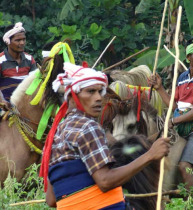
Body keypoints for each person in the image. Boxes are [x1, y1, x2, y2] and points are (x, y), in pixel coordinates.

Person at [40, 62, 170, 209]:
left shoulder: (54, 136)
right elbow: (105, 182)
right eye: (90, 92)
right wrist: (150, 155)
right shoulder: (88, 127)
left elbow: (51, 200)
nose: (98, 98)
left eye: (100, 91)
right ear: (72, 96)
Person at [148, 37, 193, 190]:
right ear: (188, 57)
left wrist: (175, 121)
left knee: (184, 166)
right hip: (183, 131)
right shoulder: (182, 78)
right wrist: (159, 88)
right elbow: (175, 107)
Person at [0, 22, 36, 101]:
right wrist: (2, 102)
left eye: (24, 39)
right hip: (5, 106)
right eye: (18, 40)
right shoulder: (0, 60)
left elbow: (34, 84)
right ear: (7, 41)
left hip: (26, 105)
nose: (22, 43)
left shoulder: (30, 59)